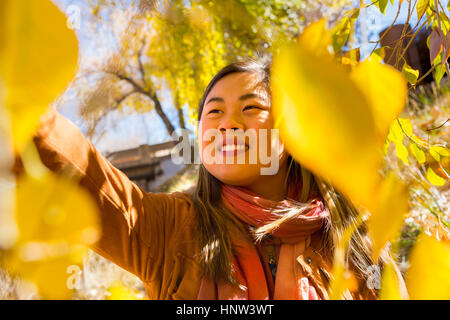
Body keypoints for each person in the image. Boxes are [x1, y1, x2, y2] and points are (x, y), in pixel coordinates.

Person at [31, 58, 405, 300]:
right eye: (214, 112)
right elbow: (75, 167)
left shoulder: (353, 242)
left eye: (251, 107)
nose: (228, 123)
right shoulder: (170, 228)